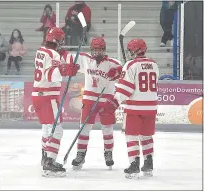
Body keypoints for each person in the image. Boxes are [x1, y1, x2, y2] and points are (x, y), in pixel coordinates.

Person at [61, 37, 122, 170]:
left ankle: (108, 153)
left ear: (104, 50)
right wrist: (70, 66)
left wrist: (117, 72)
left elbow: (124, 73)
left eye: (100, 50)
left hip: (106, 100)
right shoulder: (85, 58)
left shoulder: (113, 62)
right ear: (91, 49)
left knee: (107, 129)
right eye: (95, 50)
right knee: (84, 127)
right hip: (89, 99)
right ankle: (80, 154)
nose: (97, 53)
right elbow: (68, 57)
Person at [102, 39, 159, 178]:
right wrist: (122, 74)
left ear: (134, 51)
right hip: (151, 107)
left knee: (131, 136)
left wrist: (113, 103)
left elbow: (126, 88)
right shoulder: (154, 64)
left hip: (135, 108)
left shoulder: (131, 65)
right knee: (146, 136)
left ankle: (134, 164)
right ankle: (148, 163)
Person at [32, 27, 80, 177]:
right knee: (57, 130)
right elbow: (51, 75)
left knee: (47, 128)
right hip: (48, 96)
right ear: (58, 40)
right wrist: (65, 71)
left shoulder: (40, 50)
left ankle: (45, 157)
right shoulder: (53, 54)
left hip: (37, 95)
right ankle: (49, 163)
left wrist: (64, 68)